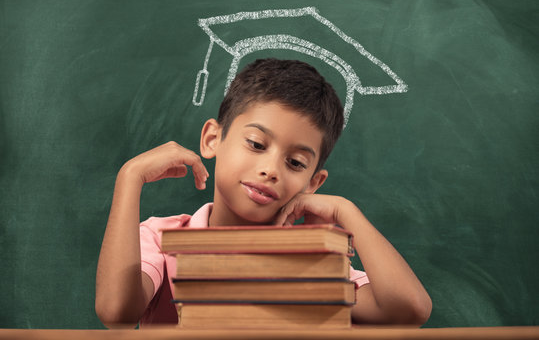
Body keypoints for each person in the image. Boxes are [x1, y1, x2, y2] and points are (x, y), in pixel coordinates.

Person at [95, 58, 432, 328]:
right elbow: (116, 312)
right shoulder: (160, 238)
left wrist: (347, 212)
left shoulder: (315, 266)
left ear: (313, 183)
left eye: (296, 163)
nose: (271, 169)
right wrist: (130, 177)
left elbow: (409, 310)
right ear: (213, 139)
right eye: (256, 144)